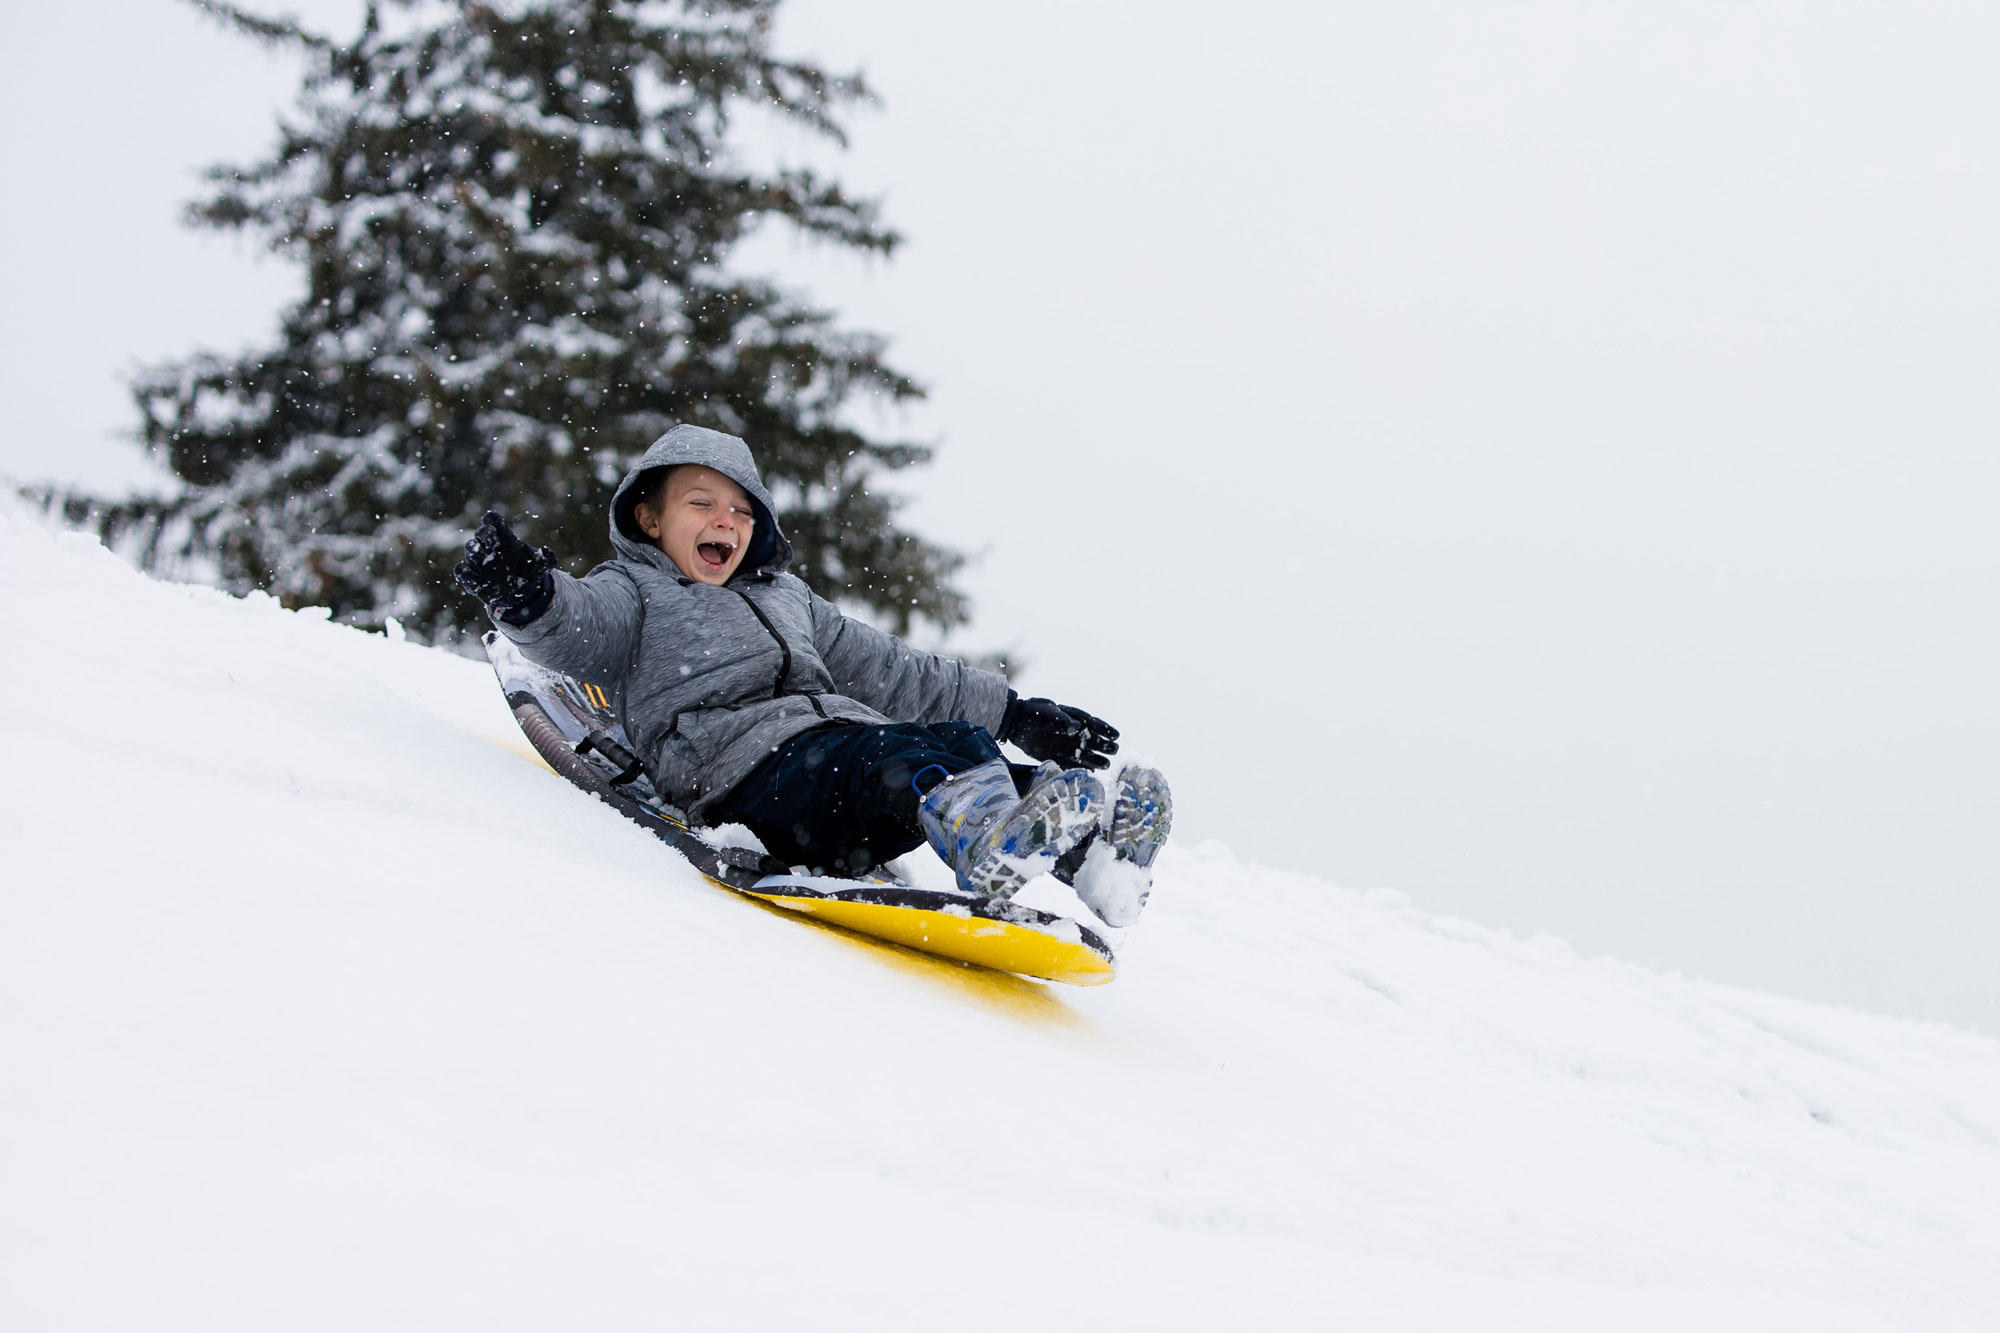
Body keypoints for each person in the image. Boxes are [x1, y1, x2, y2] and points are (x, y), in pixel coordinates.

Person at [454, 424, 1170, 926]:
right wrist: (527, 594)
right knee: (899, 758)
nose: (724, 522)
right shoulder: (635, 591)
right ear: (648, 517)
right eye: (700, 503)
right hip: (740, 777)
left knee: (951, 743)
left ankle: (1097, 860)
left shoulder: (786, 597)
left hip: (832, 770)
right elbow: (575, 630)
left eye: (739, 510)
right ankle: (986, 841)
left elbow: (892, 667)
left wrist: (1014, 715)